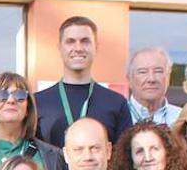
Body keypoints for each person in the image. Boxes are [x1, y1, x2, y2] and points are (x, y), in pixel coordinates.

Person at [35, 17, 131, 148]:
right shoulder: (37, 103)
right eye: (70, 42)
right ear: (59, 48)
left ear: (96, 47)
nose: (78, 48)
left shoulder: (116, 103)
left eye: (85, 41)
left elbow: (123, 158)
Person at [0, 72, 68, 170]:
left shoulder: (53, 157)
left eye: (19, 95)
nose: (11, 100)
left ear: (28, 109)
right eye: (2, 95)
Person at [127, 47, 181, 126]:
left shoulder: (181, 118)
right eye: (143, 72)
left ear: (168, 77)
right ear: (129, 79)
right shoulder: (116, 117)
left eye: (158, 71)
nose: (151, 79)